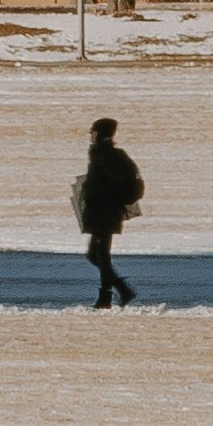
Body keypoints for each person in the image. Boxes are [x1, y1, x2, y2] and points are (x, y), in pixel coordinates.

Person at [71, 114, 143, 308]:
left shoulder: (107, 156)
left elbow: (109, 185)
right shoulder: (104, 154)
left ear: (98, 133)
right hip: (103, 212)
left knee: (100, 255)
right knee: (96, 255)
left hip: (105, 212)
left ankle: (109, 296)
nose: (90, 136)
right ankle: (119, 291)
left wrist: (96, 193)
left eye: (92, 132)